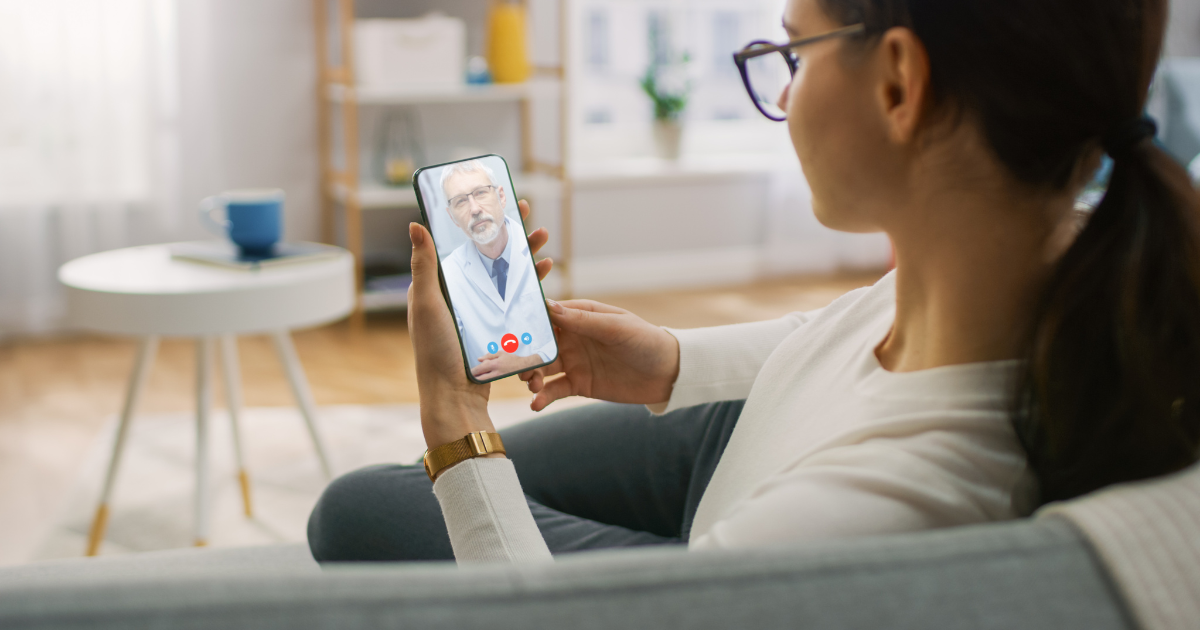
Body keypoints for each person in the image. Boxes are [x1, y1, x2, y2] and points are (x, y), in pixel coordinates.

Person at [308, 0, 1200, 566]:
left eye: (793, 54)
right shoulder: (1043, 262)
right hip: (750, 442)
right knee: (397, 494)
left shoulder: (885, 504)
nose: (783, 86)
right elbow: (848, 326)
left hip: (742, 529)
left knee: (363, 509)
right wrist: (665, 361)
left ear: (899, 83)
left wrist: (456, 418)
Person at [435, 159, 555, 381]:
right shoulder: (448, 272)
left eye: (480, 193)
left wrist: (529, 361)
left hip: (546, 377)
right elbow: (456, 354)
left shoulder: (534, 249)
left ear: (501, 196)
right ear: (452, 216)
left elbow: (556, 335)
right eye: (461, 201)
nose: (474, 209)